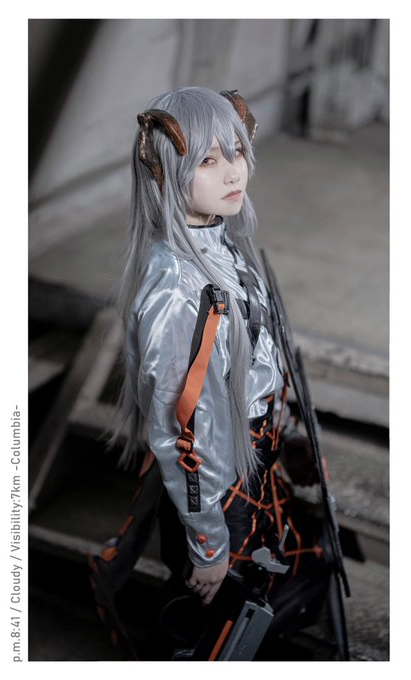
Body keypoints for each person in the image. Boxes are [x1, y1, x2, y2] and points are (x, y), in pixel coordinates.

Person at [90, 86, 328, 659]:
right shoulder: (176, 292)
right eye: (207, 159)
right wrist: (209, 547)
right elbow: (185, 436)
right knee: (220, 629)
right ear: (164, 172)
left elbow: (257, 360)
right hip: (220, 502)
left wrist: (286, 430)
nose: (232, 171)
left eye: (237, 151)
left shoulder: (218, 242)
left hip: (251, 468)